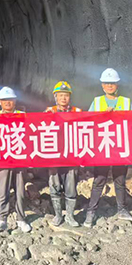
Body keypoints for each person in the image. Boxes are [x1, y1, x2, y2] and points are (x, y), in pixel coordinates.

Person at [84, 68, 132, 228]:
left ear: (117, 84)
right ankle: (91, 211)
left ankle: (122, 209)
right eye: (106, 83)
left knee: (120, 180)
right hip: (103, 146)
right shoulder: (97, 102)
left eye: (112, 83)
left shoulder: (126, 102)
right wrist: (102, 115)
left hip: (120, 146)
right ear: (102, 85)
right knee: (99, 179)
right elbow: (88, 122)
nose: (110, 85)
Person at [0, 86, 31, 233]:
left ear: (15, 101)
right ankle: (2, 218)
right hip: (3, 158)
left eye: (10, 99)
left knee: (20, 190)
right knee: (3, 189)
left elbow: (31, 132)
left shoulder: (23, 115)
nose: (7, 102)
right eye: (4, 100)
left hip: (19, 157)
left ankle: (21, 219)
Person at [45, 82, 82, 227]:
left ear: (70, 97)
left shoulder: (77, 111)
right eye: (60, 95)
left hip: (71, 156)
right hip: (54, 156)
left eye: (66, 95)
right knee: (54, 185)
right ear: (55, 97)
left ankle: (70, 216)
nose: (63, 98)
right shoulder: (49, 111)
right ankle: (58, 215)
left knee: (71, 185)